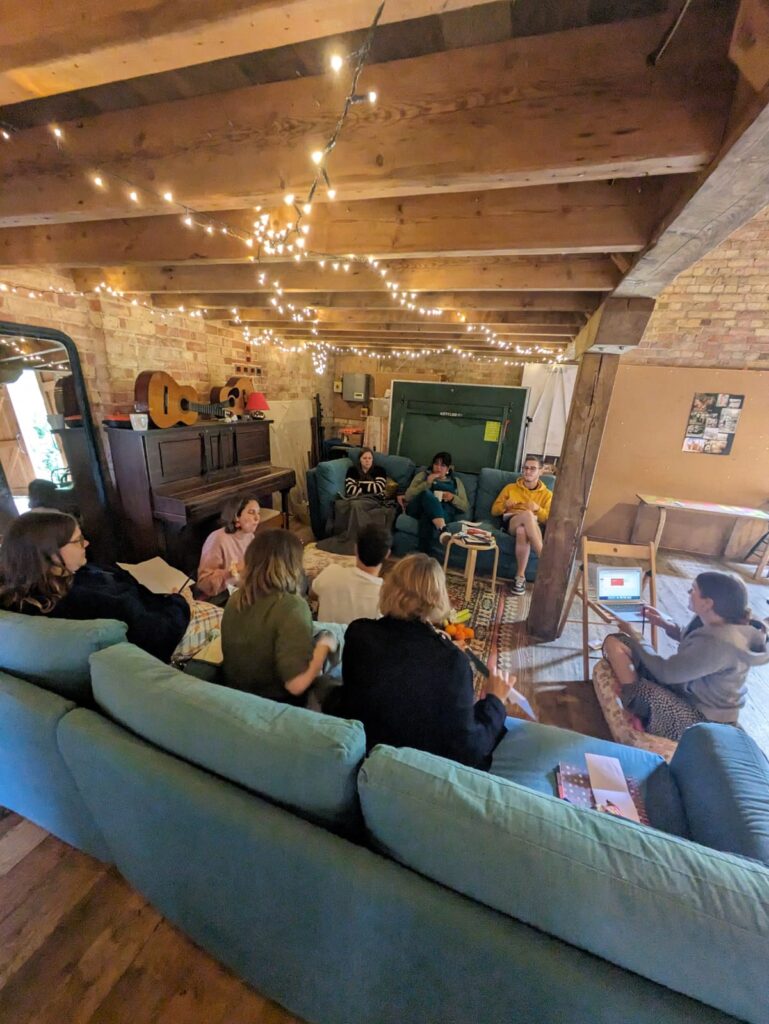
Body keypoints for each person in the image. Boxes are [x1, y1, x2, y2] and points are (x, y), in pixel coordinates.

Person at [337, 553, 511, 768]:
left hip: (364, 749)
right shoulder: (453, 662)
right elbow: (469, 747)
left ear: (389, 588)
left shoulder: (358, 633)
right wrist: (495, 700)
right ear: (438, 598)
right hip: (416, 770)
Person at [0, 511, 221, 663]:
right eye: (78, 540)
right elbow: (156, 635)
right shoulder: (85, 600)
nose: (86, 543)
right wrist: (182, 602)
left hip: (164, 610)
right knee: (234, 623)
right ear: (48, 552)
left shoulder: (58, 581)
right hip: (172, 634)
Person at [603, 571, 769, 741]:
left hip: (703, 720)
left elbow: (665, 672)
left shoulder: (720, 642)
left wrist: (635, 635)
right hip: (685, 690)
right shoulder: (723, 623)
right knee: (617, 642)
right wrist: (666, 625)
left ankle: (640, 714)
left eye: (693, 589)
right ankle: (643, 711)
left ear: (707, 603)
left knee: (642, 691)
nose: (689, 593)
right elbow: (694, 646)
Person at [221, 529, 339, 705]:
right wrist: (323, 649)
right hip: (276, 704)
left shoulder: (235, 598)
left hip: (237, 695)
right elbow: (296, 685)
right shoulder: (292, 606)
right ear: (292, 565)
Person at [491, 456, 552, 595]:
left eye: (533, 468)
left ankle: (520, 577)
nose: (528, 471)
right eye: (525, 468)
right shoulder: (510, 488)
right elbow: (494, 511)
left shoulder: (547, 495)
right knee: (526, 516)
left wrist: (538, 509)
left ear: (541, 471)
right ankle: (545, 560)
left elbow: (548, 520)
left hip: (533, 526)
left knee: (522, 531)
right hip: (512, 520)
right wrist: (504, 506)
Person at [317, 448, 396, 556]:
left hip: (373, 499)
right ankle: (351, 537)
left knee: (355, 505)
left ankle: (358, 540)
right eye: (364, 458)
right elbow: (350, 489)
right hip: (355, 497)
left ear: (372, 460)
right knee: (341, 504)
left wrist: (359, 484)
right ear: (360, 460)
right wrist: (367, 485)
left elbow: (378, 488)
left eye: (369, 458)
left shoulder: (379, 470)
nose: (367, 460)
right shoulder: (352, 470)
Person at [310, 524, 390, 625]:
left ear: (355, 548)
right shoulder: (387, 595)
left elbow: (312, 593)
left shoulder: (330, 572)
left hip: (326, 639)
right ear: (387, 554)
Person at [403, 451, 469, 554]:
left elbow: (465, 506)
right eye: (436, 464)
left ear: (448, 469)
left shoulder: (456, 482)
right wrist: (427, 483)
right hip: (417, 509)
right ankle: (443, 529)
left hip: (443, 513)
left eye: (442, 465)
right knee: (426, 494)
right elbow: (408, 496)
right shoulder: (423, 475)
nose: (438, 468)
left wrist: (452, 498)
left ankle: (423, 555)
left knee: (428, 516)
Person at [197, 496, 261, 598]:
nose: (257, 518)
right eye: (251, 512)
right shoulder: (217, 538)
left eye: (258, 513)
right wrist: (233, 570)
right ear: (236, 516)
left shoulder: (250, 536)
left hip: (242, 591)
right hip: (221, 597)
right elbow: (204, 584)